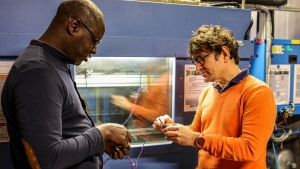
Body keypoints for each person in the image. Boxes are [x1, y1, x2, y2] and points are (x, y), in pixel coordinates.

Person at [1, 0, 131, 169]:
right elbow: (47, 159)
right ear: (74, 26)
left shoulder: (54, 64)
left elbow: (66, 132)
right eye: (95, 40)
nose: (94, 50)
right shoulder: (37, 71)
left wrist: (98, 145)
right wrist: (102, 133)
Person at [153, 25, 277, 169]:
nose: (197, 67)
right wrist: (173, 128)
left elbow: (250, 149)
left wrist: (195, 139)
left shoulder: (257, 92)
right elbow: (196, 131)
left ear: (224, 54)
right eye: (195, 61)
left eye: (202, 59)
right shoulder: (208, 92)